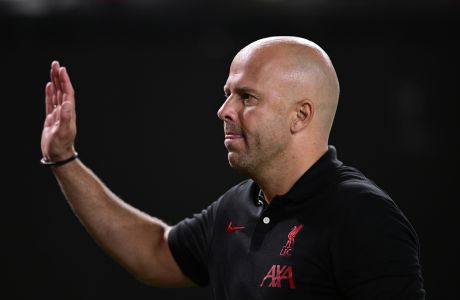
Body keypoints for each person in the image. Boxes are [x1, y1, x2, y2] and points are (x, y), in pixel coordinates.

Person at [40, 36, 426, 299]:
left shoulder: (362, 216)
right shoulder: (238, 207)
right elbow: (155, 253)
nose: (224, 110)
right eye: (228, 94)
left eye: (247, 97)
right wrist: (64, 159)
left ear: (301, 115)